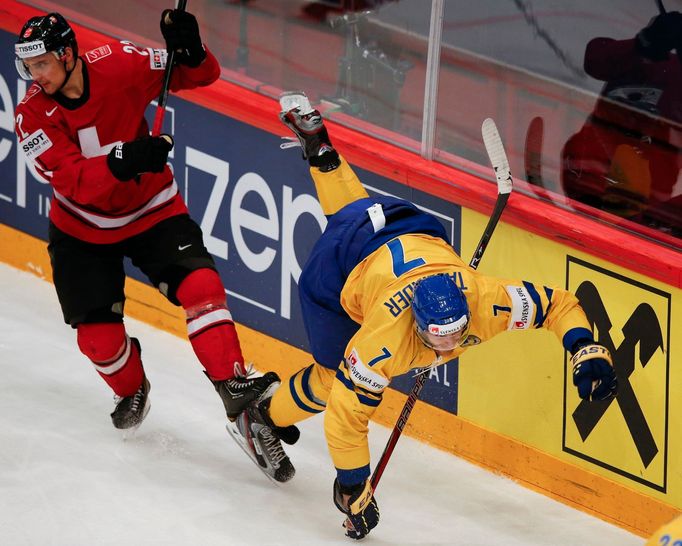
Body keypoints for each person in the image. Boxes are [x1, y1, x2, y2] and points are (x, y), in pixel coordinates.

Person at [228, 92, 619, 539]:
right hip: (339, 271)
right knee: (335, 377)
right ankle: (262, 416)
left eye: (456, 335)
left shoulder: (484, 300)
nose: (450, 348)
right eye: (439, 341)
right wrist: (352, 487)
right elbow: (344, 417)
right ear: (416, 324)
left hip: (396, 226)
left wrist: (583, 347)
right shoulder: (381, 344)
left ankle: (321, 151)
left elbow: (558, 305)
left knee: (356, 213)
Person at [12, 12, 280, 437]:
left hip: (152, 209)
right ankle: (132, 387)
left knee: (202, 289)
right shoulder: (31, 115)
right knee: (98, 342)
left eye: (41, 63)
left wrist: (191, 49)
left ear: (67, 54)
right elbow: (74, 182)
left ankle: (233, 384)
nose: (34, 74)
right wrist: (124, 159)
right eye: (29, 66)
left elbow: (198, 75)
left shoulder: (118, 61)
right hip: (82, 230)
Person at [561, 10, 682, 237]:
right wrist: (642, 45)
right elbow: (593, 58)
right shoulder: (628, 58)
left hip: (649, 215)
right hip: (588, 189)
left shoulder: (677, 75)